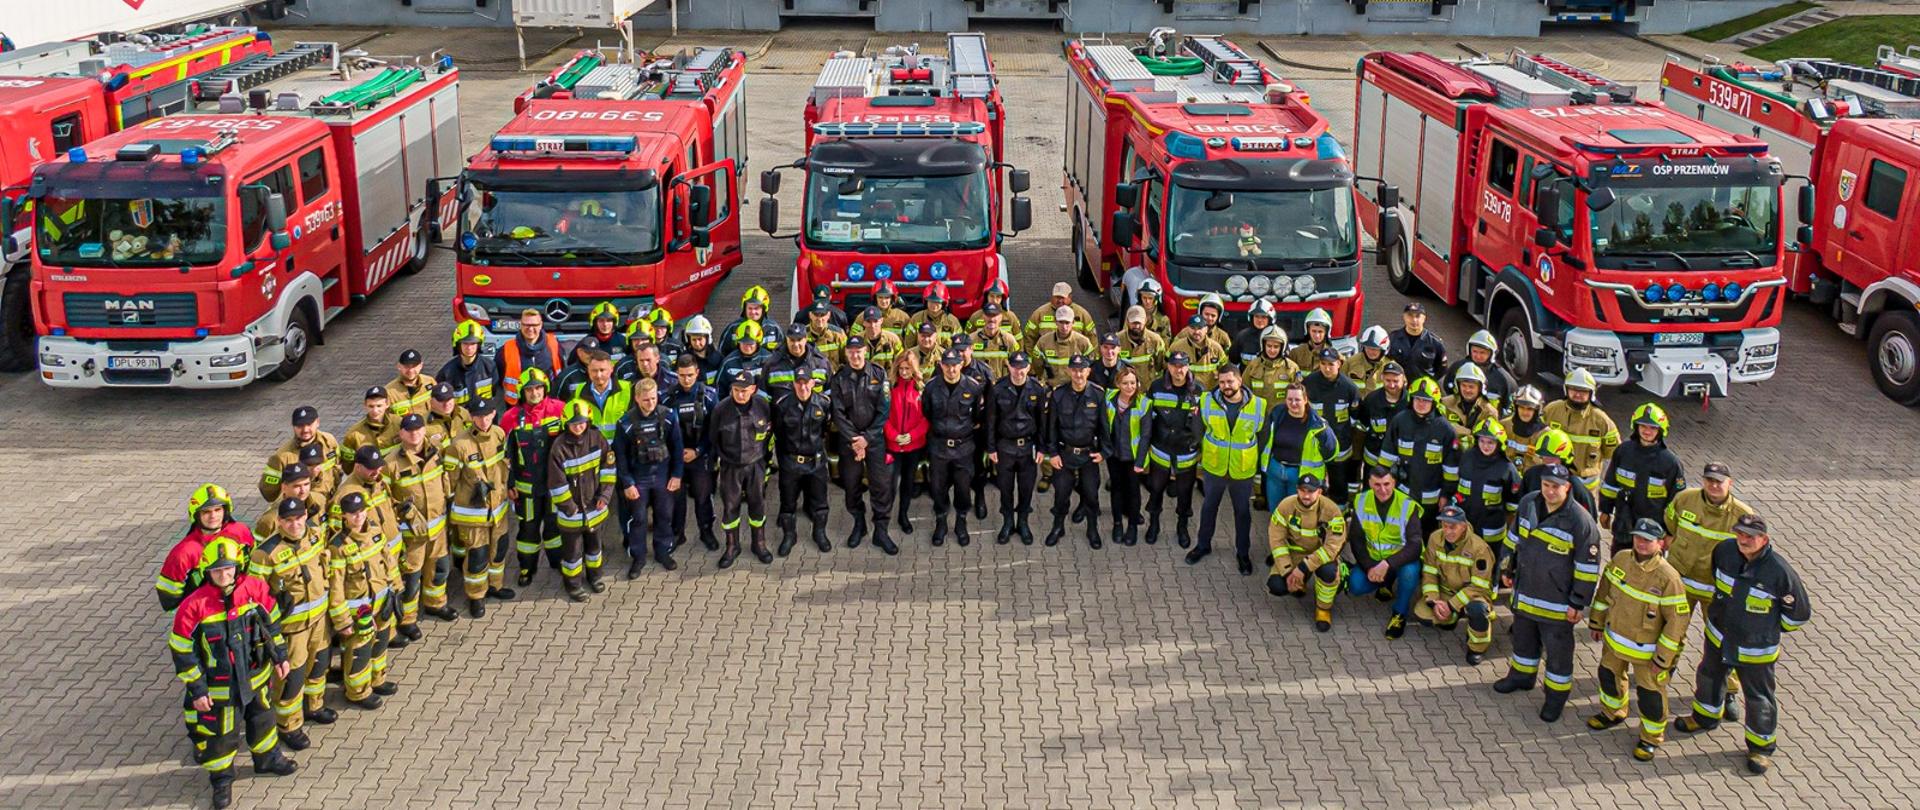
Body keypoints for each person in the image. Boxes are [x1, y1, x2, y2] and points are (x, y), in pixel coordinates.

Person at [1671, 513, 1811, 775]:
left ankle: (1760, 747)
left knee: (1758, 697)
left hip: (1755, 650)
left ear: (1764, 539)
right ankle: (1705, 716)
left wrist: (1764, 630)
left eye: (1750, 536)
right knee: (1709, 676)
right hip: (1719, 637)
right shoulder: (1724, 551)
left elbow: (1798, 615)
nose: (1743, 540)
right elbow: (1717, 582)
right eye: (1740, 534)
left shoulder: (1779, 572)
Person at [169, 537, 296, 809]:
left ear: (238, 567)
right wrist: (198, 690)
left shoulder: (255, 590)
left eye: (228, 569)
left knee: (263, 719)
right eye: (217, 571)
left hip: (256, 676)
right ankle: (222, 778)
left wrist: (280, 656)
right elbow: (182, 651)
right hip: (220, 688)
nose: (224, 575)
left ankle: (267, 759)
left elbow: (271, 624)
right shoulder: (193, 606)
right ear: (207, 572)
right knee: (222, 735)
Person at [1494, 462, 1603, 723]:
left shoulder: (1580, 521)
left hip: (1557, 604)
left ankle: (1555, 698)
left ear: (1567, 487)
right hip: (1526, 592)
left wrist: (1578, 603)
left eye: (1556, 487)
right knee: (1523, 641)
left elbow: (1587, 568)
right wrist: (1506, 569)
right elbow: (1512, 540)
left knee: (1558, 655)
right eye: (1546, 485)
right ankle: (1521, 676)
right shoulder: (1529, 503)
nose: (1550, 491)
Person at [1585, 518, 1692, 762]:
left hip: (1648, 653)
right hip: (1615, 642)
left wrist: (1664, 658)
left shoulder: (1669, 578)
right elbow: (1604, 593)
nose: (1641, 544)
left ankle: (1650, 738)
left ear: (1660, 543)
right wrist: (1596, 621)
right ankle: (1613, 712)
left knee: (1650, 696)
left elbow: (1676, 622)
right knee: (1608, 677)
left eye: (1647, 540)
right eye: (1638, 538)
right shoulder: (1621, 559)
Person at [249, 498, 334, 749]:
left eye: (298, 518)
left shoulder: (316, 535)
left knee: (318, 666)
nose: (295, 524)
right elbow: (256, 598)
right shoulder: (265, 553)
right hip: (292, 629)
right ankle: (288, 725)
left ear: (305, 515)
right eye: (288, 520)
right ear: (279, 522)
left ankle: (314, 706)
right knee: (292, 678)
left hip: (319, 620)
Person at [326, 493, 400, 708]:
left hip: (382, 601)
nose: (358, 517)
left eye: (361, 511)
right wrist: (342, 621)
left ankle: (377, 680)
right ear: (344, 516)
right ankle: (357, 692)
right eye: (352, 513)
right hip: (359, 611)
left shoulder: (375, 532)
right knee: (359, 651)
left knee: (380, 643)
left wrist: (397, 589)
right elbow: (336, 587)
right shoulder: (337, 546)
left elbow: (389, 561)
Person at [1191, 365, 1267, 572]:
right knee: (1208, 508)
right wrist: (1205, 447)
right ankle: (1203, 545)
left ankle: (1243, 553)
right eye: (1222, 382)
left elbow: (1263, 437)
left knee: (1242, 512)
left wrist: (1256, 461)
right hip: (1215, 466)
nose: (1225, 386)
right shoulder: (1206, 400)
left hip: (1242, 469)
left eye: (1230, 381)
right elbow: (1198, 427)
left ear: (1240, 381)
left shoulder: (1259, 405)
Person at [385, 414, 448, 645]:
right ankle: (407, 620)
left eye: (419, 429)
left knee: (439, 569)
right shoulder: (391, 463)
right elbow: (385, 500)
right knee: (411, 579)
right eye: (409, 430)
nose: (415, 434)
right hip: (412, 535)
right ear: (401, 434)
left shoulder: (436, 452)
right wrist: (403, 514)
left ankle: (436, 604)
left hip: (438, 529)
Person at [449, 399, 513, 617]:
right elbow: (449, 480)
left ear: (494, 414)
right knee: (477, 555)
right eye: (478, 416)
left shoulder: (499, 434)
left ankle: (495, 585)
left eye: (487, 415)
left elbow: (505, 467)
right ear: (471, 418)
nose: (483, 420)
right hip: (473, 513)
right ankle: (476, 596)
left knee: (499, 548)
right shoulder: (458, 445)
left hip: (498, 508)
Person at [832, 336, 895, 553]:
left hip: (874, 440)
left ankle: (881, 530)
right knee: (851, 485)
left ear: (865, 352)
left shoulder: (879, 374)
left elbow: (884, 410)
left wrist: (866, 439)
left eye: (859, 351)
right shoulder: (839, 378)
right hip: (849, 442)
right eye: (851, 352)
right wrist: (856, 441)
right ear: (846, 353)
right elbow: (838, 413)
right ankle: (859, 524)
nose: (855, 355)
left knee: (881, 485)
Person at [1413, 504, 1498, 663]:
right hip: (1446, 593)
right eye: (1445, 526)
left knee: (1477, 610)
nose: (1448, 531)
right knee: (1423, 615)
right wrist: (1434, 601)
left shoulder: (1479, 548)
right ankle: (1452, 617)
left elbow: (1478, 586)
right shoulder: (1434, 538)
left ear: (1464, 526)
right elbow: (1429, 573)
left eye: (1453, 527)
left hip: (1474, 595)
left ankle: (1476, 648)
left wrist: (1451, 605)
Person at [550, 400, 619, 598]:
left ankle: (595, 577)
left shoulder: (598, 439)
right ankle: (573, 585)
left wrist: (605, 496)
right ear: (566, 424)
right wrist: (569, 508)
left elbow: (608, 470)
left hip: (595, 508)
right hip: (571, 513)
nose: (578, 427)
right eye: (574, 424)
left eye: (582, 422)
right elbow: (557, 482)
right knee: (572, 554)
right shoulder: (559, 447)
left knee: (595, 548)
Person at [503, 368, 564, 586]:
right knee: (528, 528)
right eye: (529, 389)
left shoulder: (559, 410)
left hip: (554, 484)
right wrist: (509, 483)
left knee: (554, 525)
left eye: (538, 387)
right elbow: (505, 456)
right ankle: (527, 567)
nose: (534, 393)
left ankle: (558, 562)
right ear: (522, 392)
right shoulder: (510, 418)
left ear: (545, 388)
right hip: (526, 487)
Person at [1348, 465, 1424, 639]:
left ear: (1394, 482)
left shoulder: (1407, 505)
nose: (1382, 490)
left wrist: (1387, 564)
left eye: (1387, 484)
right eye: (1377, 485)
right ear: (1369, 483)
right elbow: (1357, 540)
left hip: (1401, 561)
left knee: (1410, 573)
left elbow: (1415, 545)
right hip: (1374, 560)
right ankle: (1385, 582)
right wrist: (1369, 568)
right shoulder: (1360, 500)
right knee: (1355, 586)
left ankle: (1400, 613)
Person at [1599, 404, 1685, 555]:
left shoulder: (1670, 462)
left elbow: (1677, 502)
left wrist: (1670, 532)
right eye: (1643, 426)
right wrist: (1605, 510)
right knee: (1620, 566)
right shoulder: (1623, 451)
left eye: (1652, 428)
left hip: (1652, 530)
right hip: (1623, 525)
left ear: (1661, 430)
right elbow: (1610, 484)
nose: (1647, 431)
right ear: (1635, 426)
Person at [616, 379, 682, 575]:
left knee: (664, 515)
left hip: (663, 476)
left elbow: (677, 449)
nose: (650, 403)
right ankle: (638, 557)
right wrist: (627, 483)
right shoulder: (626, 423)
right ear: (636, 398)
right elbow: (620, 456)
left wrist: (677, 475)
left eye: (653, 398)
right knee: (638, 519)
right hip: (639, 478)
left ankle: (663, 551)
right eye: (645, 400)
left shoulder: (669, 417)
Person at [1266, 473, 1347, 632]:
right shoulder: (1286, 506)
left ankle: (1323, 609)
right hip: (1295, 555)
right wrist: (1288, 570)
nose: (1306, 495)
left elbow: (1331, 548)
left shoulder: (1332, 510)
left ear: (1319, 492)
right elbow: (1277, 541)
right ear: (1297, 490)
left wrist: (1303, 568)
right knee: (1276, 585)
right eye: (1303, 490)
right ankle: (1299, 584)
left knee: (1329, 572)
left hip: (1321, 557)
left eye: (1311, 491)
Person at [710, 371, 774, 567]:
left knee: (757, 505)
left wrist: (767, 464)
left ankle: (759, 543)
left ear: (753, 389)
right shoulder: (721, 410)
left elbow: (770, 435)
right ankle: (732, 546)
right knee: (730, 507)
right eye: (736, 390)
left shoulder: (763, 407)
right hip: (731, 468)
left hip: (756, 465)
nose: (739, 394)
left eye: (744, 391)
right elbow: (713, 439)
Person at [922, 349, 985, 546]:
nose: (951, 369)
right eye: (947, 365)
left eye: (955, 364)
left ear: (961, 365)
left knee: (963, 487)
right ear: (941, 365)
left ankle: (961, 521)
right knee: (938, 487)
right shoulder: (931, 387)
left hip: (963, 448)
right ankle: (941, 522)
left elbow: (977, 417)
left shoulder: (973, 387)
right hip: (939, 446)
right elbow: (927, 413)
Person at [1044, 355, 1109, 548]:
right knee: (1061, 494)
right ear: (1069, 371)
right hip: (1065, 454)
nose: (1078, 374)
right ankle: (1058, 527)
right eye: (1074, 370)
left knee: (1091, 494)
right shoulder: (1058, 394)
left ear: (1088, 371)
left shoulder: (1097, 394)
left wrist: (1104, 452)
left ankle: (1092, 529)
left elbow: (1103, 426)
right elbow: (1052, 428)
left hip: (1088, 454)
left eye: (1082, 370)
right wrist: (1052, 453)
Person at [158, 485, 257, 611]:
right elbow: (168, 599)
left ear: (226, 510)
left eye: (217, 510)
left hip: (244, 604)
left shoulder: (241, 531)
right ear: (196, 514)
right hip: (206, 613)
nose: (213, 516)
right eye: (206, 512)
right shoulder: (184, 553)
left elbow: (254, 565)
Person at [1382, 379, 1459, 538]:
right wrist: (1386, 486)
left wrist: (1446, 495)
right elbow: (1386, 458)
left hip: (1432, 500)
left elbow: (1451, 469)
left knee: (1427, 536)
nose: (1421, 403)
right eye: (1417, 399)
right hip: (1402, 494)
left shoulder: (1445, 430)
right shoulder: (1400, 421)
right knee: (1401, 535)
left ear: (1435, 402)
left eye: (1426, 400)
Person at [1144, 351, 1204, 547]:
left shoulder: (1199, 391)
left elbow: (1204, 423)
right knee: (1156, 490)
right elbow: (1147, 419)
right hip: (1161, 450)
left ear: (1188, 367)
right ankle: (1154, 525)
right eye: (1174, 365)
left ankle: (1182, 526)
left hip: (1186, 452)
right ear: (1168, 366)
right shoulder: (1156, 387)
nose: (1178, 370)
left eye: (1182, 365)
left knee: (1184, 493)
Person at [771, 372, 833, 556]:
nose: (803, 387)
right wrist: (785, 460)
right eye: (799, 384)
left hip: (816, 462)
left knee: (820, 502)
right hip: (791, 462)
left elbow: (825, 430)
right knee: (788, 502)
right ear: (793, 384)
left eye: (806, 383)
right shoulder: (782, 405)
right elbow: (779, 434)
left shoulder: (823, 403)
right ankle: (789, 535)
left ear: (813, 383)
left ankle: (819, 533)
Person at [666, 355, 720, 555]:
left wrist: (698, 451)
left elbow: (713, 430)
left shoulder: (710, 396)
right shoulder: (667, 397)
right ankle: (677, 533)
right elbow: (664, 429)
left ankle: (706, 532)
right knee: (676, 499)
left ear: (697, 373)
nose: (686, 379)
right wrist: (677, 453)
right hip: (676, 458)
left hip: (700, 456)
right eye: (681, 375)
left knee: (703, 497)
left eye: (690, 375)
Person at [1259, 385, 1338, 513]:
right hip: (1275, 470)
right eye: (1290, 399)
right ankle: (1277, 533)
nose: (1293, 403)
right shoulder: (1277, 414)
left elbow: (1331, 452)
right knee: (1275, 511)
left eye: (1297, 399)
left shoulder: (1317, 424)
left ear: (1305, 399)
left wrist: (1323, 436)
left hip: (1300, 474)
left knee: (1296, 513)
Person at [1541, 368, 1619, 496]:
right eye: (1574, 390)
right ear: (1566, 390)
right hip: (1554, 482)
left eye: (1583, 391)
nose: (1578, 395)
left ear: (1591, 394)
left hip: (1586, 489)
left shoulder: (1601, 420)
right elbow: (1538, 440)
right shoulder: (1551, 410)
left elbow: (1612, 452)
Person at [1454, 419, 1521, 567]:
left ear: (1499, 444)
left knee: (1488, 565)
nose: (1485, 446)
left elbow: (1513, 506)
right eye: (1482, 441)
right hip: (1465, 524)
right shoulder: (1466, 458)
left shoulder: (1507, 468)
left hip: (1492, 530)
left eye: (1490, 442)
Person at [1299, 347, 1361, 501]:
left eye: (1331, 364)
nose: (1327, 368)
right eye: (1323, 364)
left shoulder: (1349, 388)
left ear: (1339, 364)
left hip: (1340, 445)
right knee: (1312, 483)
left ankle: (1339, 515)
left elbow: (1355, 418)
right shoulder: (1309, 383)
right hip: (1314, 447)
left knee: (1339, 484)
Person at [1104, 366, 1151, 547]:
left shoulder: (1144, 403)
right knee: (1116, 489)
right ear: (1118, 384)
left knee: (1133, 492)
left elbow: (1146, 435)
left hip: (1133, 458)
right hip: (1114, 455)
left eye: (1133, 382)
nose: (1129, 386)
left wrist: (1140, 462)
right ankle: (1117, 524)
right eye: (1125, 383)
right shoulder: (1109, 398)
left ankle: (1132, 526)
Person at [885, 354, 930, 541]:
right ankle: (883, 518)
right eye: (901, 369)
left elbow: (926, 419)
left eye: (907, 369)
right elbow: (884, 416)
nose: (904, 372)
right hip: (893, 446)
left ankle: (903, 515)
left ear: (914, 369)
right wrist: (894, 436)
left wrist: (911, 436)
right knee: (890, 483)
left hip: (913, 446)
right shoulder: (889, 390)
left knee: (908, 483)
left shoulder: (921, 390)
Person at [260, 406, 339, 503]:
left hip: (328, 503)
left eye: (309, 424)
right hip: (301, 511)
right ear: (293, 426)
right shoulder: (282, 457)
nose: (305, 430)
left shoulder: (329, 441)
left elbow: (337, 467)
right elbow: (268, 493)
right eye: (300, 426)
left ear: (317, 422)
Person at [1520, 427, 1597, 516]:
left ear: (1565, 459)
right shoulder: (1531, 475)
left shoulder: (1577, 489)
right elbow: (1521, 506)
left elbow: (1589, 523)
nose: (1547, 462)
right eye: (1544, 457)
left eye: (1552, 458)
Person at [499, 308, 563, 408]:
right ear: (520, 325)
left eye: (534, 325)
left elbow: (562, 372)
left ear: (541, 325)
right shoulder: (506, 349)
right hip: (518, 407)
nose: (530, 328)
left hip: (548, 406)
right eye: (526, 325)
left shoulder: (554, 344)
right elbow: (499, 379)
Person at [1444, 330, 1517, 409]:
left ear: (1492, 354)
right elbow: (1448, 389)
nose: (1478, 356)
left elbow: (1510, 408)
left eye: (1482, 353)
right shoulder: (1457, 368)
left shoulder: (1504, 379)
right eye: (1475, 351)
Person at [1356, 361, 1408, 469]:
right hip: (1373, 461)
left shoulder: (1410, 403)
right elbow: (1362, 428)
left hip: (1399, 464)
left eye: (1396, 381)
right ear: (1382, 378)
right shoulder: (1371, 400)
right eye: (1388, 380)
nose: (1392, 385)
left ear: (1403, 380)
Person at [253, 463, 325, 539]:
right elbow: (261, 549)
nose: (303, 491)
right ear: (284, 487)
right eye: (297, 486)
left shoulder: (320, 500)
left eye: (306, 484)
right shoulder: (270, 521)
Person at [439, 321, 500, 408]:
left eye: (473, 343)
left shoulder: (489, 367)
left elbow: (495, 393)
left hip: (484, 418)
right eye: (465, 343)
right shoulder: (447, 372)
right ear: (458, 345)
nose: (469, 348)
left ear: (479, 345)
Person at [1032, 305, 1094, 387]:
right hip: (1051, 387)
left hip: (1075, 387)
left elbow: (1091, 365)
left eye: (1067, 322)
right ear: (1055, 322)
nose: (1064, 327)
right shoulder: (1043, 342)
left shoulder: (1083, 342)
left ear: (1073, 322)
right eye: (1061, 322)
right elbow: (1037, 365)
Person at [1387, 302, 1448, 383]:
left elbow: (1442, 368)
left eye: (1418, 316)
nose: (1414, 320)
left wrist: (1430, 381)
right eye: (1410, 316)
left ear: (1424, 318)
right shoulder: (1392, 338)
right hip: (1397, 387)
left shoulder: (1435, 342)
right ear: (1404, 317)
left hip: (1422, 391)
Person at [1024, 281, 1095, 348]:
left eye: (1062, 298)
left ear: (1070, 297)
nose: (1060, 301)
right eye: (1057, 297)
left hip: (1075, 360)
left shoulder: (1082, 314)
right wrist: (1032, 358)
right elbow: (1029, 337)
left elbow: (1092, 337)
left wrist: (1092, 359)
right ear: (1052, 297)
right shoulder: (1039, 314)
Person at [718, 285, 784, 356]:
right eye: (750, 308)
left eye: (756, 308)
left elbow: (783, 352)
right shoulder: (733, 328)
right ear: (744, 308)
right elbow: (721, 354)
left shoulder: (774, 328)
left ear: (764, 309)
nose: (753, 312)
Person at [339, 386, 399, 465]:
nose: (375, 411)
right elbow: (348, 466)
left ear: (387, 404)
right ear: (365, 405)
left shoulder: (399, 423)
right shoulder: (353, 434)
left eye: (379, 406)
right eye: (371, 406)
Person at [1241, 325, 1296, 406]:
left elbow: (1297, 395)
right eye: (1269, 346)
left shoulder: (1291, 368)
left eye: (1276, 347)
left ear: (1282, 348)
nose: (1272, 350)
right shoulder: (1253, 366)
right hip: (1257, 415)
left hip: (1281, 416)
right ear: (1263, 345)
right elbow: (1243, 391)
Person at [1167, 316, 1227, 390]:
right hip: (1184, 392)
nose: (1196, 332)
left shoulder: (1216, 348)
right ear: (1187, 329)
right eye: (1193, 328)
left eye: (1200, 328)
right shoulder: (1176, 347)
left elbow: (1224, 369)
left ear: (1206, 329)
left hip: (1209, 392)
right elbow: (1166, 367)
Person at [1441, 364, 1498, 438]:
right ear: (1458, 386)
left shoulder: (1489, 412)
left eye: (1471, 387)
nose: (1467, 390)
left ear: (1480, 388)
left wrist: (1463, 431)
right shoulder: (1445, 403)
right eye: (1464, 386)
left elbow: (1488, 441)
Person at [1501, 385, 1551, 469]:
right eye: (1521, 407)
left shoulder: (1546, 434)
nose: (1525, 412)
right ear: (1516, 407)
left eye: (1530, 409)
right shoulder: (1503, 426)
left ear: (1537, 410)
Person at [1116, 305, 1167, 387]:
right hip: (1125, 390)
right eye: (1133, 323)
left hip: (1148, 389)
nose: (1136, 326)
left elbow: (1161, 366)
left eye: (1139, 323)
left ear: (1145, 321)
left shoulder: (1155, 340)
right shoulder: (1117, 340)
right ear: (1127, 321)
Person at [969, 303, 1020, 379]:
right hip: (979, 387)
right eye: (988, 315)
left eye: (995, 316)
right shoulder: (971, 340)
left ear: (1001, 317)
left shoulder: (1009, 340)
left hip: (1002, 387)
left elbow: (1017, 366)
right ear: (983, 317)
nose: (991, 319)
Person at [717, 320, 772, 391]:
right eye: (743, 343)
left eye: (751, 343)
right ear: (738, 343)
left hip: (761, 401)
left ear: (758, 343)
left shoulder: (769, 359)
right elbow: (719, 389)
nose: (747, 347)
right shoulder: (728, 362)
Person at [385, 348, 436, 417]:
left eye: (414, 366)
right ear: (399, 366)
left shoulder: (430, 382)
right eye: (406, 367)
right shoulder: (389, 392)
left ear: (421, 366)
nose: (410, 370)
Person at [1342, 325, 1392, 395]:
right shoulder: (1350, 362)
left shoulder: (1391, 367)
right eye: (1367, 347)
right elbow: (1340, 385)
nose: (1370, 351)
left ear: (1383, 350)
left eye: (1374, 349)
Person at [799, 301, 848, 370]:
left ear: (828, 315)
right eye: (816, 315)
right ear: (810, 315)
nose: (819, 319)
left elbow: (847, 358)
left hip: (833, 378)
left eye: (822, 315)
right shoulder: (802, 334)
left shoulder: (838, 334)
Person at [856, 306, 904, 372]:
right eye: (869, 321)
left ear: (881, 321)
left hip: (887, 379)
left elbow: (901, 361)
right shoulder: (857, 340)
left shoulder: (893, 339)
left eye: (875, 321)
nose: (872, 325)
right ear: (864, 323)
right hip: (863, 379)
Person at [1232, 299, 1279, 364]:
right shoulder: (1242, 336)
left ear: (1270, 319)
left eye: (1263, 317)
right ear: (1251, 318)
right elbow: (1233, 362)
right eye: (1256, 316)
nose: (1259, 320)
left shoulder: (1279, 337)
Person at [680, 315, 722, 387]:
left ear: (707, 338)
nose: (697, 343)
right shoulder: (684, 359)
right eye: (693, 340)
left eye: (700, 339)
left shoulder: (718, 358)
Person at [871, 279, 914, 345]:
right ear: (875, 298)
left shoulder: (902, 317)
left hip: (898, 353)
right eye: (880, 297)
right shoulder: (865, 316)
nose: (883, 301)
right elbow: (855, 338)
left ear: (892, 298)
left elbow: (911, 340)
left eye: (887, 297)